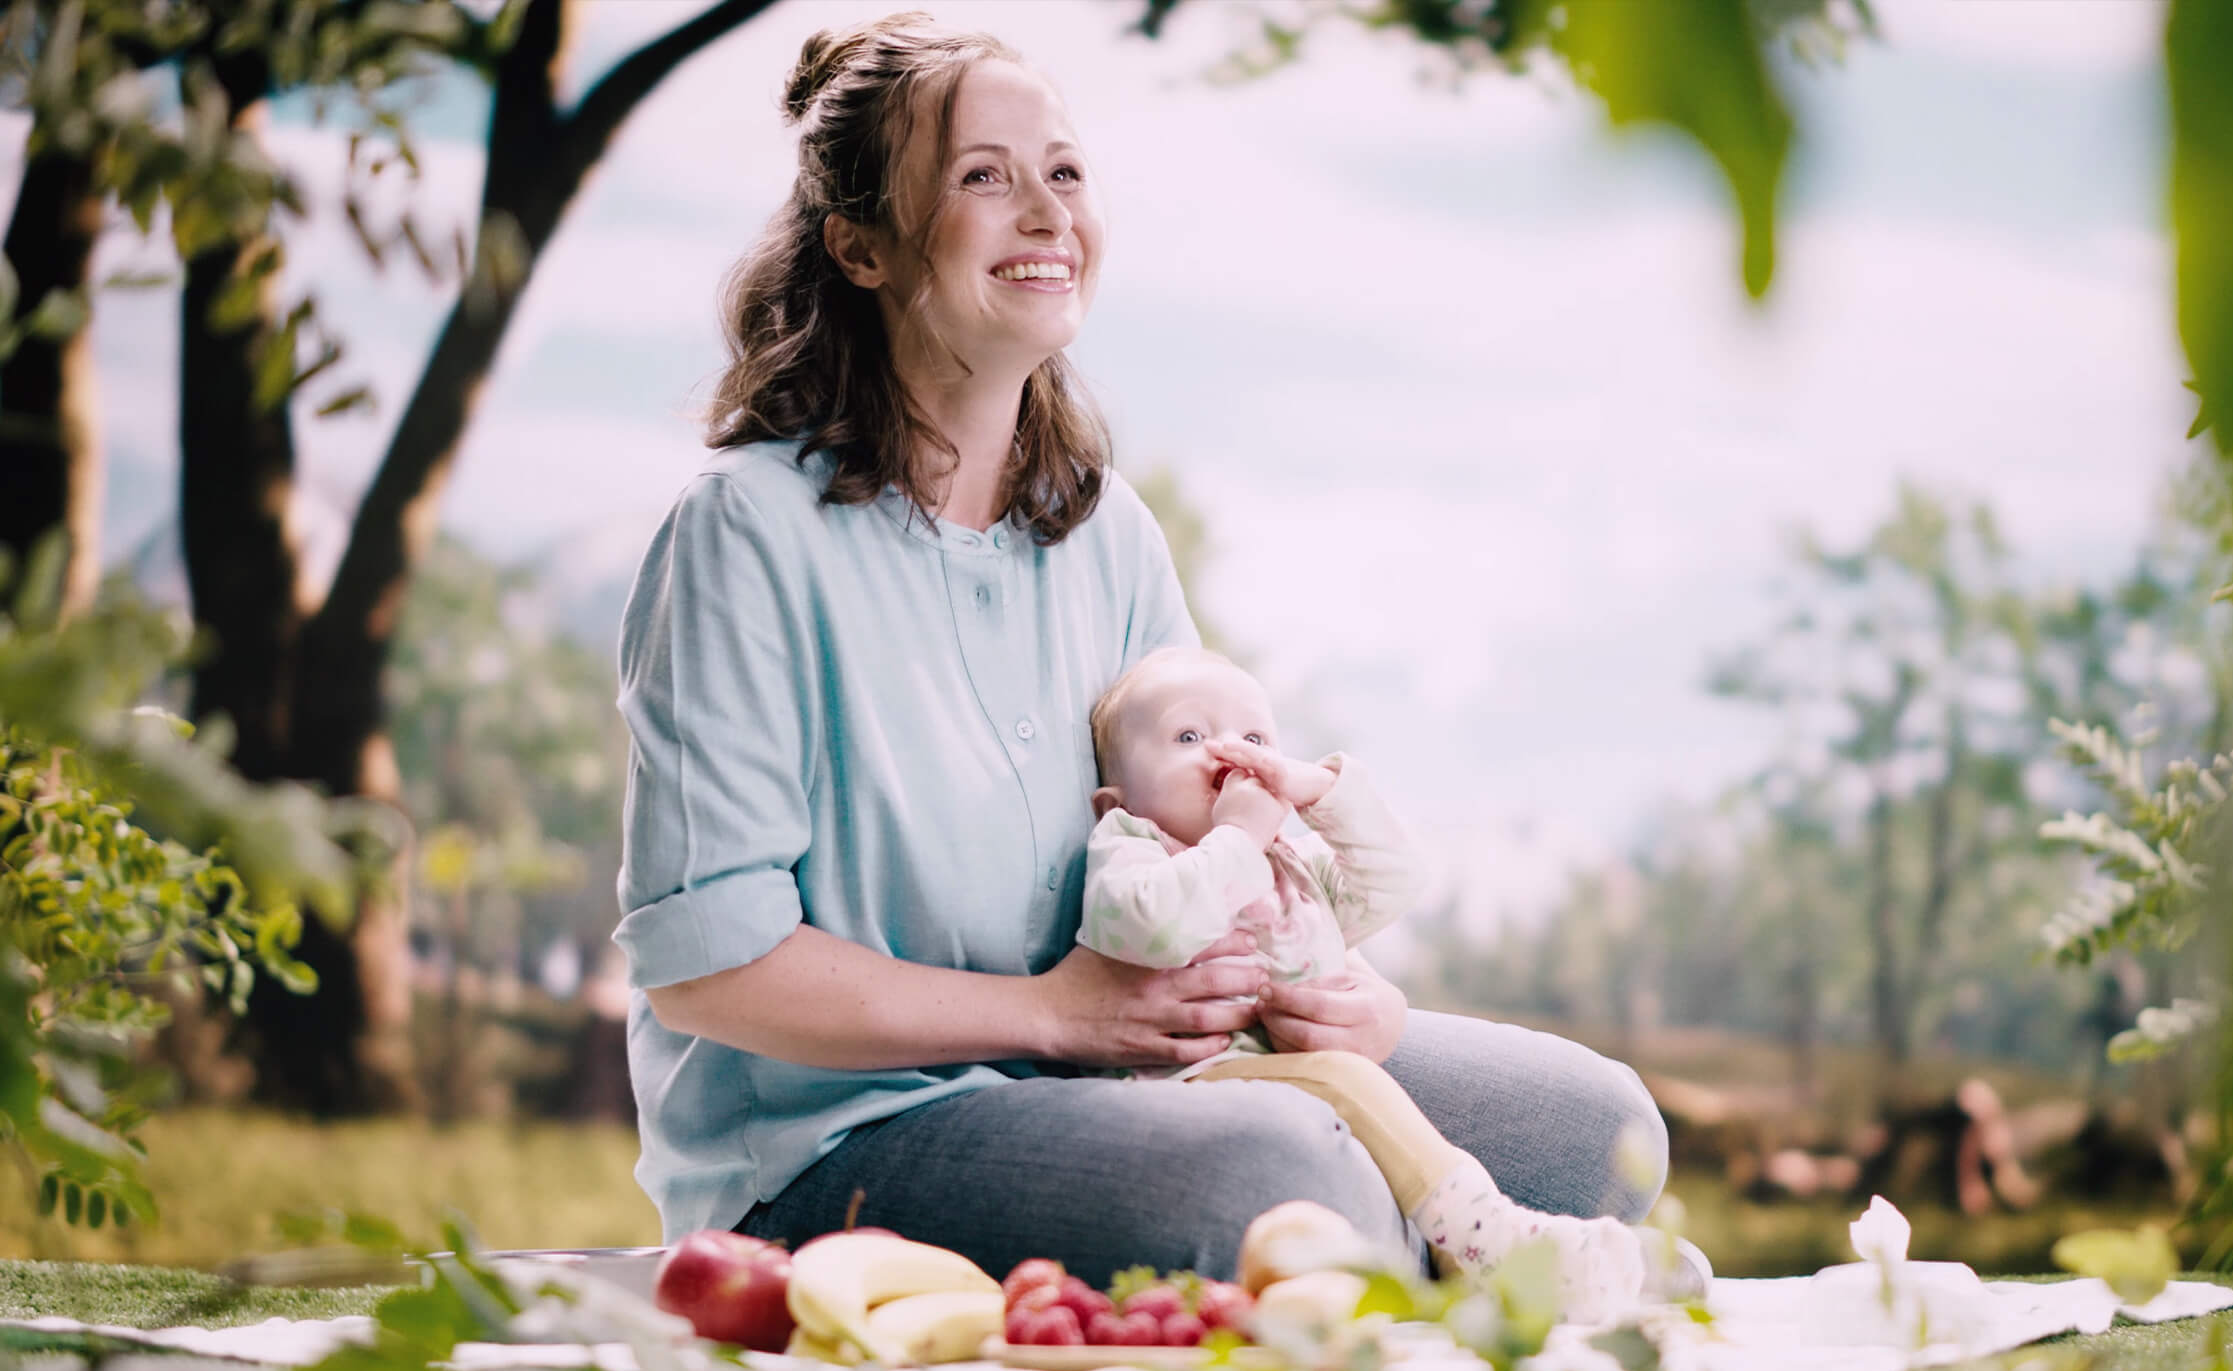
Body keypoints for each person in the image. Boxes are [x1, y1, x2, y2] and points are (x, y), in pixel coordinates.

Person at [611, 10, 1672, 1293]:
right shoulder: (745, 535)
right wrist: (1055, 1014)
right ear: (862, 247)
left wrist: (1342, 1002)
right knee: (1288, 1173)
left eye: (1062, 170)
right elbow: (711, 968)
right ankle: (1440, 1267)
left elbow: (1207, 832)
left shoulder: (1105, 533)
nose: (1045, 210)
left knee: (1597, 1129)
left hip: (1139, 1078)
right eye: (980, 177)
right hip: (839, 1144)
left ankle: (1394, 1259)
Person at [1076, 646, 1702, 1315]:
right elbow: (1158, 928)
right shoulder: (1131, 848)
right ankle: (1489, 1241)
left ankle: (1541, 1260)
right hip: (1187, 1082)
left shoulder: (1288, 861)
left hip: (1296, 1073)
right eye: (1190, 736)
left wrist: (1320, 792)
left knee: (1373, 1104)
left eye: (1255, 737)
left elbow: (1394, 882)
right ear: (1115, 799)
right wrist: (1235, 837)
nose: (1229, 751)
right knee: (1347, 1089)